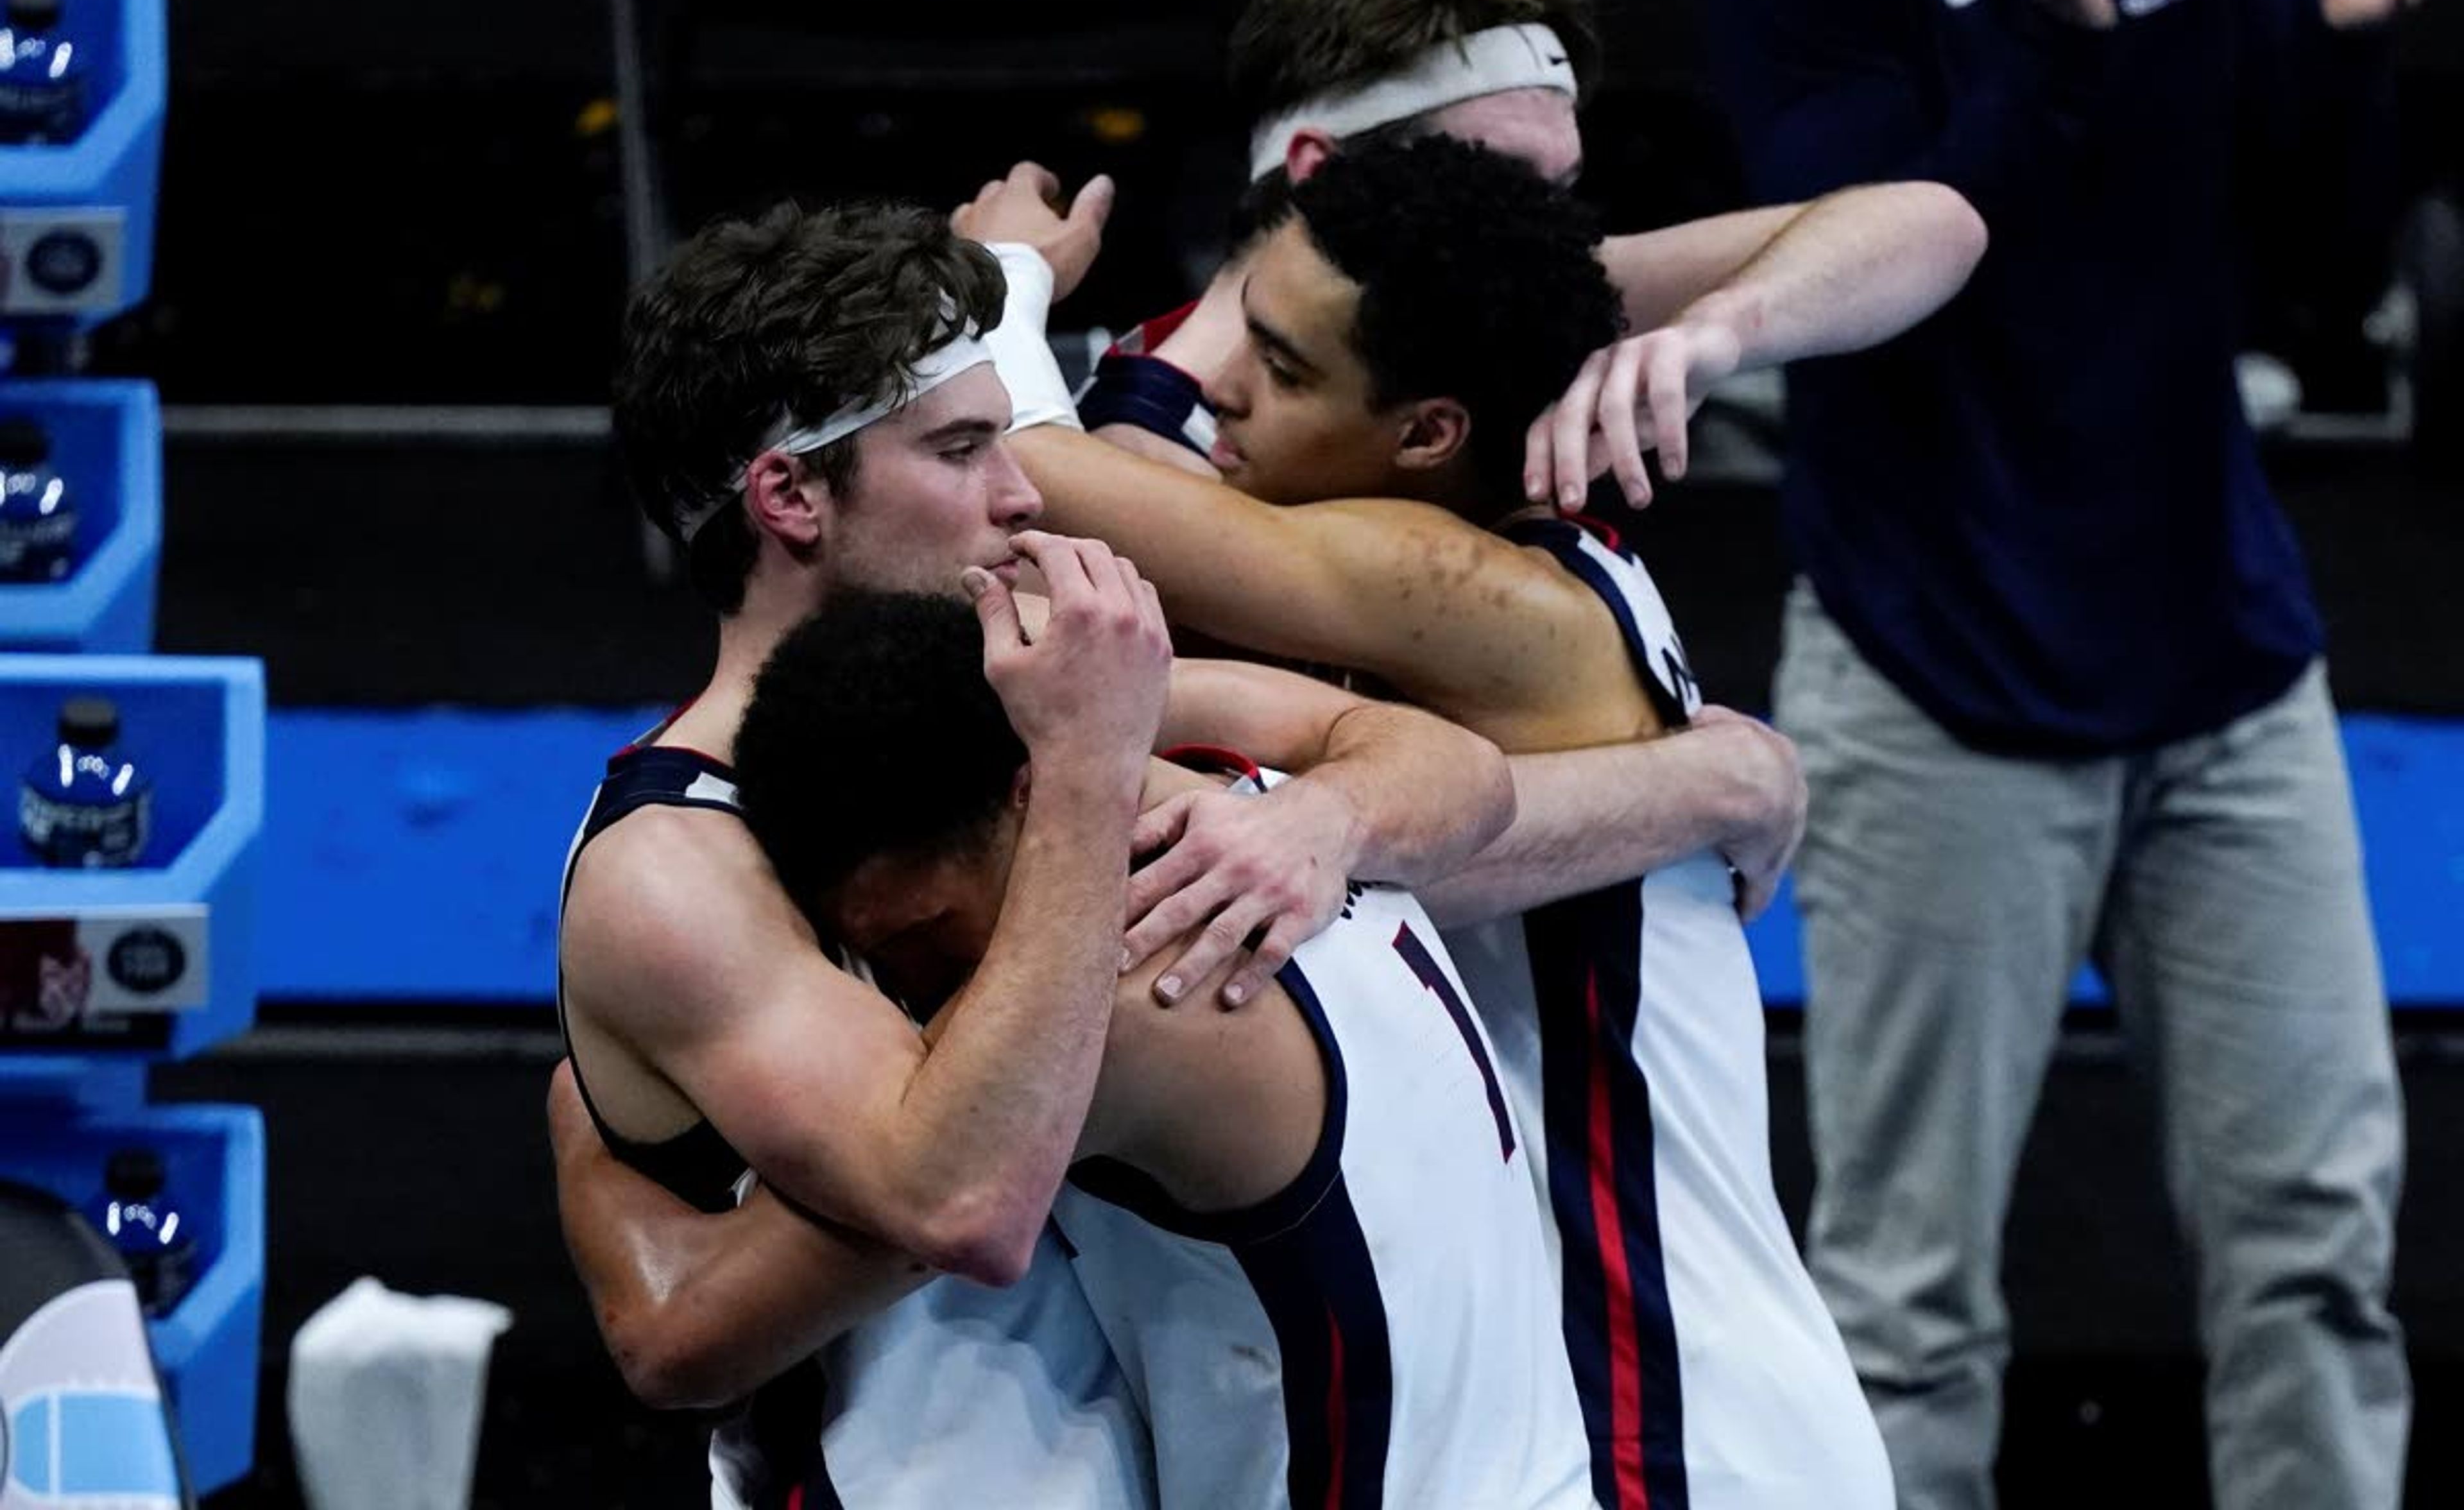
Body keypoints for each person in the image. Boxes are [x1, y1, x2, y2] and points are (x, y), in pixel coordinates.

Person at [996, 133, 1924, 1509]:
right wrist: (1725, 780)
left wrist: (1002, 285)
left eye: (1286, 369)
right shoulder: (1438, 540)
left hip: (1666, 1415)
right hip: (1588, 1398)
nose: (1230, 393)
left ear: (1431, 429)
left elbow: (1035, 470)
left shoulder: (1483, 588)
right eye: (1238, 337)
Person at [557, 196, 1518, 1508]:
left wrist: (1318, 815)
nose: (1022, 494)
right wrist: (1089, 776)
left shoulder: (1003, 675)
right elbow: (963, 1198)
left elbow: (1448, 766)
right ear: (788, 492)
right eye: (961, 450)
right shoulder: (675, 866)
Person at [1700, 0, 2463, 1505]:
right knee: (1905, 1305)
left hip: (2226, 659)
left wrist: (2328, 43)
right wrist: (2042, 24)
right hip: (1937, 671)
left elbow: (2312, 267)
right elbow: (1856, 275)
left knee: (2320, 1263)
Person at [731, 588, 1591, 1509]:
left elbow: (689, 1334)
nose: (913, 978)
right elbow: (1464, 766)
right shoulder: (1274, 802)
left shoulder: (1136, 1001)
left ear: (1034, 797)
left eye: (929, 927)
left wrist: (584, 1123)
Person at [1047, 0, 1991, 515]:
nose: (1550, 232)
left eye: (1561, 187)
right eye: (1502, 181)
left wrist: (1717, 333)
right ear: (1320, 172)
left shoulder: (1510, 299)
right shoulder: (1144, 436)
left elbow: (1937, 222)